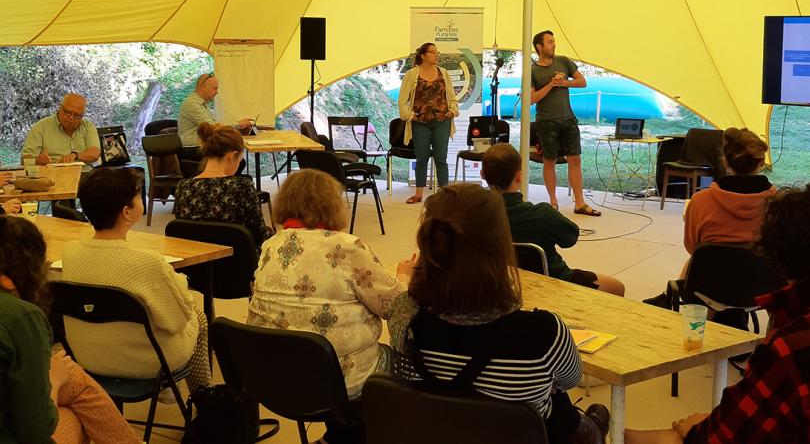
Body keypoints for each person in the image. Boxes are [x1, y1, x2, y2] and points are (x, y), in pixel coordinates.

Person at [388, 183, 610, 444]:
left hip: (438, 432)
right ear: (501, 247)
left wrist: (410, 279)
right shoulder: (545, 333)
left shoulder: (405, 318)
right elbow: (570, 380)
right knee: (590, 415)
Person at [626, 185, 810, 444]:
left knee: (653, 437)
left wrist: (691, 430)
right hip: (749, 298)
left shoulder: (790, 346)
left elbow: (723, 436)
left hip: (705, 291)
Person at [248, 169, 411, 444]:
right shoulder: (348, 247)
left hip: (272, 377)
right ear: (332, 204)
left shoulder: (269, 246)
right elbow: (394, 306)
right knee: (403, 360)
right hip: (337, 382)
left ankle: (338, 435)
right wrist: (405, 275)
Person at [61, 167, 212, 396]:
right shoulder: (147, 262)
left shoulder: (70, 253)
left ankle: (173, 392)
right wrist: (179, 283)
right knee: (197, 315)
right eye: (138, 195)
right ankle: (205, 397)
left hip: (88, 357)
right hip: (145, 363)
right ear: (126, 212)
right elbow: (177, 320)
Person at [0, 215, 140, 444]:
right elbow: (35, 431)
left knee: (74, 386)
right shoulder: (20, 316)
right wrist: (54, 381)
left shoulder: (74, 252)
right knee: (76, 413)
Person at [643, 128, 776, 309]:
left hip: (710, 288)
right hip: (764, 288)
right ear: (761, 161)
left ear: (725, 160)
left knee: (700, 257)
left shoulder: (700, 200)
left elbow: (692, 247)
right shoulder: (779, 202)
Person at [482, 143, 625, 295]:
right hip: (553, 283)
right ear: (519, 176)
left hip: (500, 284)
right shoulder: (542, 215)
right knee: (617, 287)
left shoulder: (474, 215)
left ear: (482, 174)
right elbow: (570, 237)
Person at [530, 30, 599, 216]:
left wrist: (563, 83)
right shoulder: (532, 70)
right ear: (539, 46)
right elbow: (531, 98)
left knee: (575, 159)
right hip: (546, 121)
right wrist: (551, 84)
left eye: (554, 41)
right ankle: (553, 202)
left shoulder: (563, 61)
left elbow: (582, 82)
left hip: (568, 118)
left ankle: (580, 203)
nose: (554, 45)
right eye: (550, 42)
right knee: (549, 161)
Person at [174, 122, 272, 247]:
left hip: (197, 263)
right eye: (240, 158)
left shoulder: (183, 187)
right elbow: (259, 236)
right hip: (240, 263)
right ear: (233, 156)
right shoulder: (242, 187)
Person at [398, 43, 459, 204]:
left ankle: (444, 194)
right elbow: (403, 101)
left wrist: (452, 111)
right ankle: (418, 194)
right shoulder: (412, 74)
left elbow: (452, 97)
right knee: (422, 158)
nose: (436, 55)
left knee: (441, 158)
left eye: (437, 52)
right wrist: (411, 116)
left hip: (442, 121)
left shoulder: (443, 73)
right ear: (423, 55)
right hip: (420, 123)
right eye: (433, 52)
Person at [177, 73, 251, 162]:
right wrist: (238, 124)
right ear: (203, 87)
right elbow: (212, 127)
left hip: (200, 146)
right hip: (191, 148)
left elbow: (214, 126)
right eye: (215, 88)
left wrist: (237, 129)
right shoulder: (192, 104)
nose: (217, 92)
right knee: (235, 160)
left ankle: (227, 175)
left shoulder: (201, 103)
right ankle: (224, 176)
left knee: (236, 159)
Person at [22, 93, 100, 171]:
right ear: (60, 108)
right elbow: (24, 161)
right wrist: (37, 161)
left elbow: (95, 154)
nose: (71, 117)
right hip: (53, 175)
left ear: (82, 115)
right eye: (68, 112)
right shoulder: (41, 127)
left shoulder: (87, 126)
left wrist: (76, 155)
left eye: (77, 115)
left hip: (84, 175)